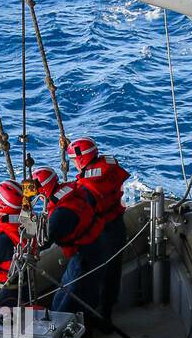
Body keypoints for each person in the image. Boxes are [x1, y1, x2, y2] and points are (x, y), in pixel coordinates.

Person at [67, 137, 130, 318]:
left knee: (93, 277)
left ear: (81, 160)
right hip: (118, 227)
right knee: (112, 273)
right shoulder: (109, 166)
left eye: (73, 160)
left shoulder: (86, 186)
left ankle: (91, 318)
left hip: (101, 234)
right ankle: (107, 315)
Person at [34, 165, 104, 324]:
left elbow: (42, 242)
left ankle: (66, 335)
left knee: (65, 304)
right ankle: (88, 327)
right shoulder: (71, 190)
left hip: (83, 256)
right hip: (94, 245)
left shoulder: (60, 215)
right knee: (82, 293)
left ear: (44, 189)